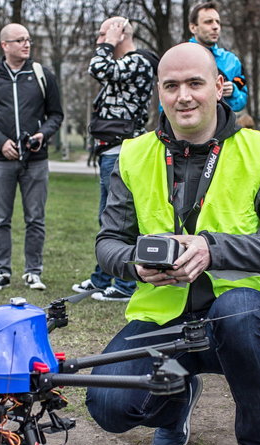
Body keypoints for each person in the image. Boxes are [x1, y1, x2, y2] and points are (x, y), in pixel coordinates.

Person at [85, 42, 260, 445]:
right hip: (162, 316)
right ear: (160, 93)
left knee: (241, 322)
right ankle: (177, 394)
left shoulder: (257, 149)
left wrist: (213, 248)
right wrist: (135, 265)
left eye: (195, 83)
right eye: (171, 86)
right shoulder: (134, 155)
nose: (184, 96)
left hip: (235, 309)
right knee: (107, 405)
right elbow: (107, 244)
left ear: (218, 87)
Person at [0, 23, 63, 292]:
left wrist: (41, 136)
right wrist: (0, 143)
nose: (26, 44)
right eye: (20, 40)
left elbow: (56, 115)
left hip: (36, 160)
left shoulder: (41, 75)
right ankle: (1, 271)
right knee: (0, 219)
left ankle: (33, 272)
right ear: (5, 45)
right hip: (0, 160)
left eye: (28, 40)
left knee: (35, 218)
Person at [72, 16, 158, 303]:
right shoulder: (123, 67)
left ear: (120, 34)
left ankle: (124, 285)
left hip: (122, 149)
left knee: (120, 220)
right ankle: (101, 278)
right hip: (109, 148)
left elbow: (97, 67)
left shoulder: (138, 62)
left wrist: (109, 41)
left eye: (102, 35)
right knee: (107, 220)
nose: (99, 42)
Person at [188, 1, 248, 112]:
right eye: (208, 22)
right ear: (193, 28)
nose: (215, 27)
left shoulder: (232, 61)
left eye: (218, 22)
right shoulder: (179, 58)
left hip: (223, 127)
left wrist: (233, 92)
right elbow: (165, 101)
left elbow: (242, 101)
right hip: (187, 127)